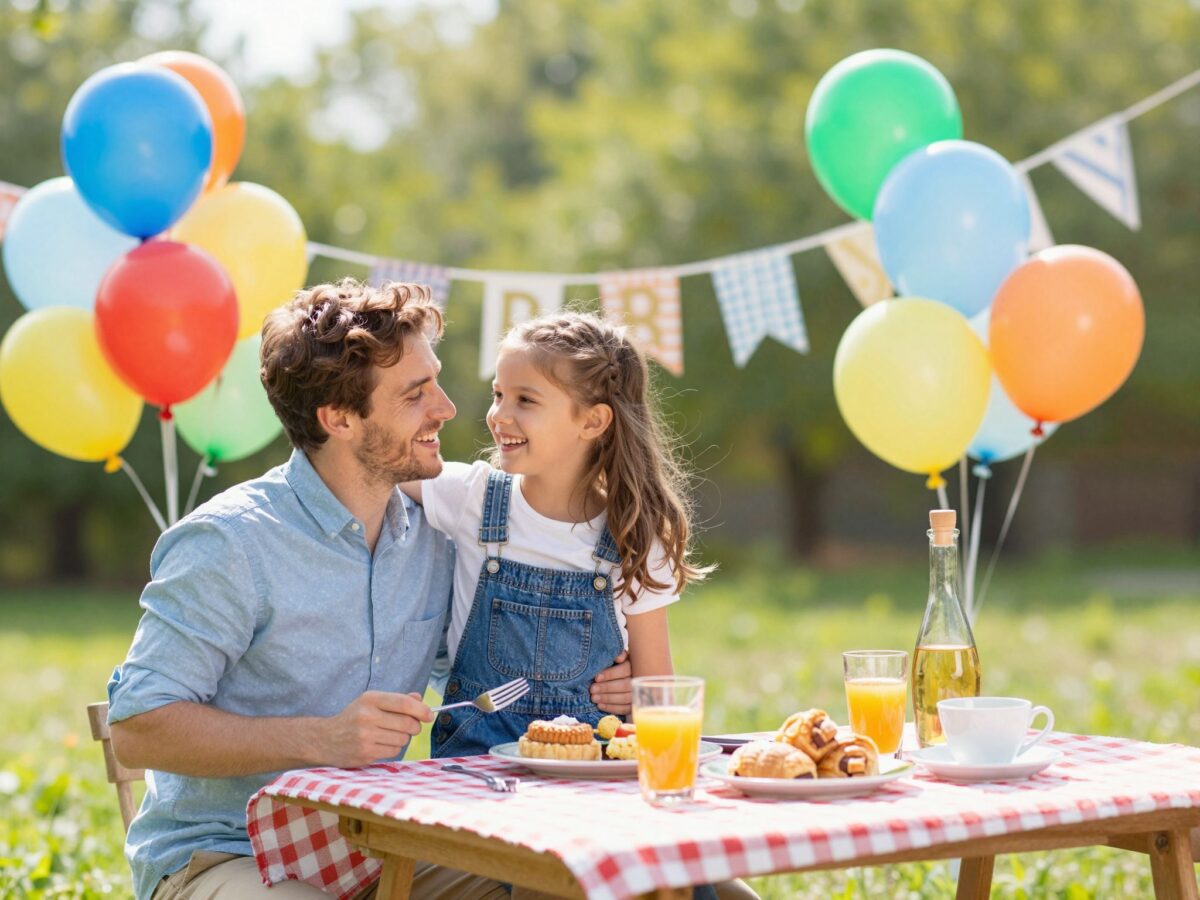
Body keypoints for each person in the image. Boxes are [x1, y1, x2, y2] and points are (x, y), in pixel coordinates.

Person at [106, 280, 632, 900]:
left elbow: (481, 670)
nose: (448, 408)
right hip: (228, 854)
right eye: (416, 394)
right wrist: (319, 738)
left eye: (434, 381)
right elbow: (137, 727)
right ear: (340, 418)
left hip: (379, 847)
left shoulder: (434, 538)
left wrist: (599, 678)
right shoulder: (230, 543)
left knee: (604, 882)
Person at [401, 311, 711, 757]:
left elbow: (656, 694)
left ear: (592, 422)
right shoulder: (472, 496)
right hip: (473, 773)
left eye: (525, 400)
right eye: (498, 394)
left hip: (587, 780)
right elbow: (377, 466)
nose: (499, 415)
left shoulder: (634, 537)